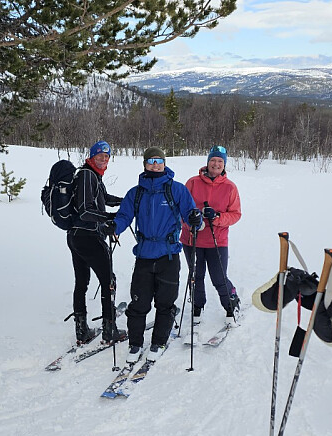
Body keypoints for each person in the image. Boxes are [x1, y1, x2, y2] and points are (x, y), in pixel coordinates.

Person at [102, 147, 200, 362]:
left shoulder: (177, 190)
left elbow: (191, 214)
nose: (155, 165)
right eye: (151, 161)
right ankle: (135, 344)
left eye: (159, 161)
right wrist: (113, 227)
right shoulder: (135, 193)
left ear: (164, 163)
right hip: (145, 255)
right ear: (145, 164)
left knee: (165, 303)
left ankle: (159, 342)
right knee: (139, 303)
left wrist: (195, 219)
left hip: (169, 255)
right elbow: (124, 216)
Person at [67, 140, 126, 344]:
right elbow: (85, 210)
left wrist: (124, 201)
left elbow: (103, 198)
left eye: (106, 156)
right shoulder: (86, 175)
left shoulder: (92, 176)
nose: (103, 159)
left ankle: (82, 331)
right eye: (99, 155)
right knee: (108, 280)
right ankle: (110, 329)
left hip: (77, 236)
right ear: (91, 157)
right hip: (88, 236)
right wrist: (109, 218)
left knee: (82, 282)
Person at [182, 145, 243, 322]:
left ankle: (231, 303)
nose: (216, 164)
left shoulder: (230, 187)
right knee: (196, 275)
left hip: (217, 240)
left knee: (219, 277)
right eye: (213, 160)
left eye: (220, 161)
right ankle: (197, 305)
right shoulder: (193, 182)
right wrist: (190, 220)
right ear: (207, 162)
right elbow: (181, 210)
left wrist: (216, 217)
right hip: (192, 238)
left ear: (224, 164)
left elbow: (235, 214)